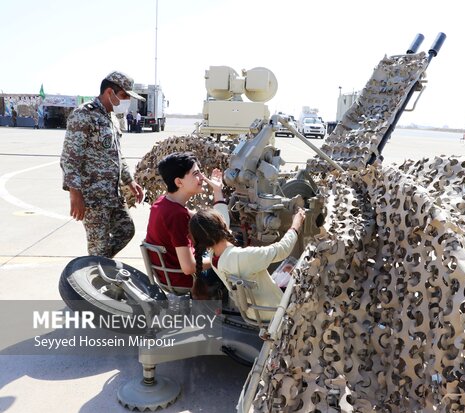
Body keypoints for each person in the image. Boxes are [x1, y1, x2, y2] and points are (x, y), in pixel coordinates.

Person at [60, 71, 145, 257]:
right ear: (109, 92)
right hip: (93, 197)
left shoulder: (111, 118)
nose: (127, 101)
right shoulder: (84, 114)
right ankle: (95, 274)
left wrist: (129, 181)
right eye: (124, 96)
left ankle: (99, 265)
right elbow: (70, 158)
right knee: (98, 247)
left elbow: (117, 155)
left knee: (126, 230)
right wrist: (75, 194)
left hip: (112, 194)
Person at [189, 202, 305, 315]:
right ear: (223, 224)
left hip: (254, 313)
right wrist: (296, 225)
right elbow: (282, 250)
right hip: (277, 313)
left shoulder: (213, 255)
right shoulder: (241, 257)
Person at [145, 152, 224, 289]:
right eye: (196, 174)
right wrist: (222, 259)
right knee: (237, 265)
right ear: (178, 182)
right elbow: (189, 267)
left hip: (171, 275)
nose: (202, 178)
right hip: (187, 280)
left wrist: (217, 190)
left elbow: (210, 221)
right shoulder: (176, 215)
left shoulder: (163, 202)